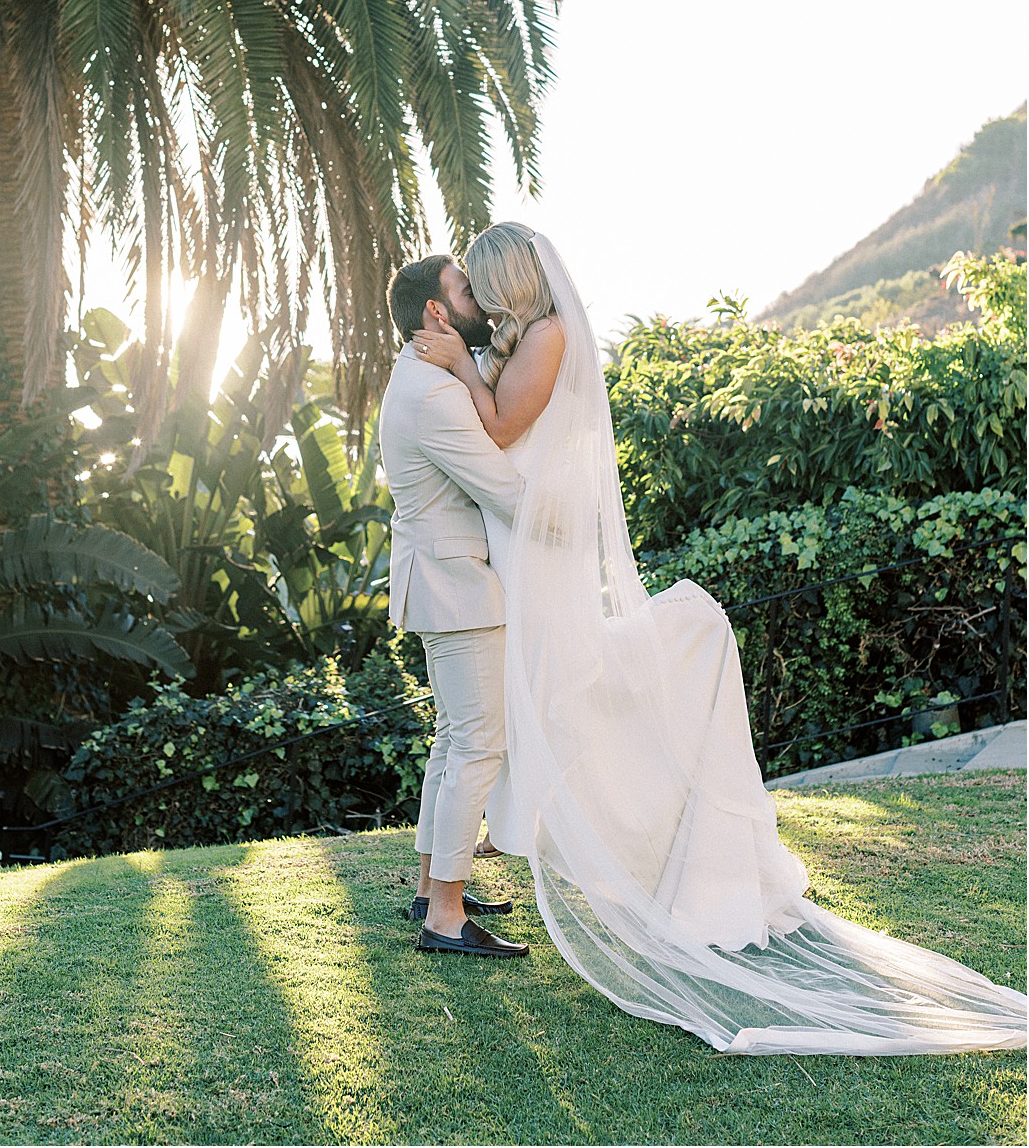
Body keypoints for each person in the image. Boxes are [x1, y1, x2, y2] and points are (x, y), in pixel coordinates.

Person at [409, 222, 1028, 1056]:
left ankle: (621, 834)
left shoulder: (548, 336)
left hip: (539, 548)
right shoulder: (525, 338)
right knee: (527, 712)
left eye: (481, 286)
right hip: (522, 549)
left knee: (562, 701)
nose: (475, 303)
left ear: (509, 282)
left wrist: (455, 367)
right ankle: (473, 870)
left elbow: (502, 427)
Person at [379, 254, 530, 959]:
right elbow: (503, 488)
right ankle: (444, 915)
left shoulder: (417, 376)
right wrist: (577, 509)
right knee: (477, 745)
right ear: (436, 311)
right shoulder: (433, 394)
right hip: (455, 585)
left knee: (453, 740)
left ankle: (429, 888)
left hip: (437, 578)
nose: (479, 300)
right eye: (466, 291)